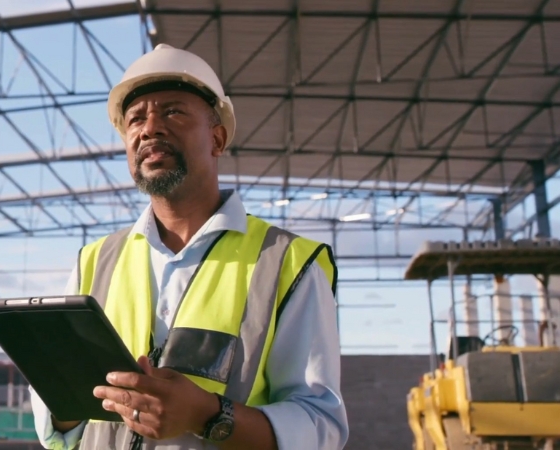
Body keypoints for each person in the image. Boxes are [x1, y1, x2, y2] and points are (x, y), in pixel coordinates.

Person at [29, 43, 348, 450]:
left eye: (173, 111)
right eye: (135, 119)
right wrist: (65, 402)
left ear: (216, 138)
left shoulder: (287, 263)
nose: (149, 128)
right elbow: (57, 428)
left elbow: (321, 426)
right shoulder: (94, 261)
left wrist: (207, 415)